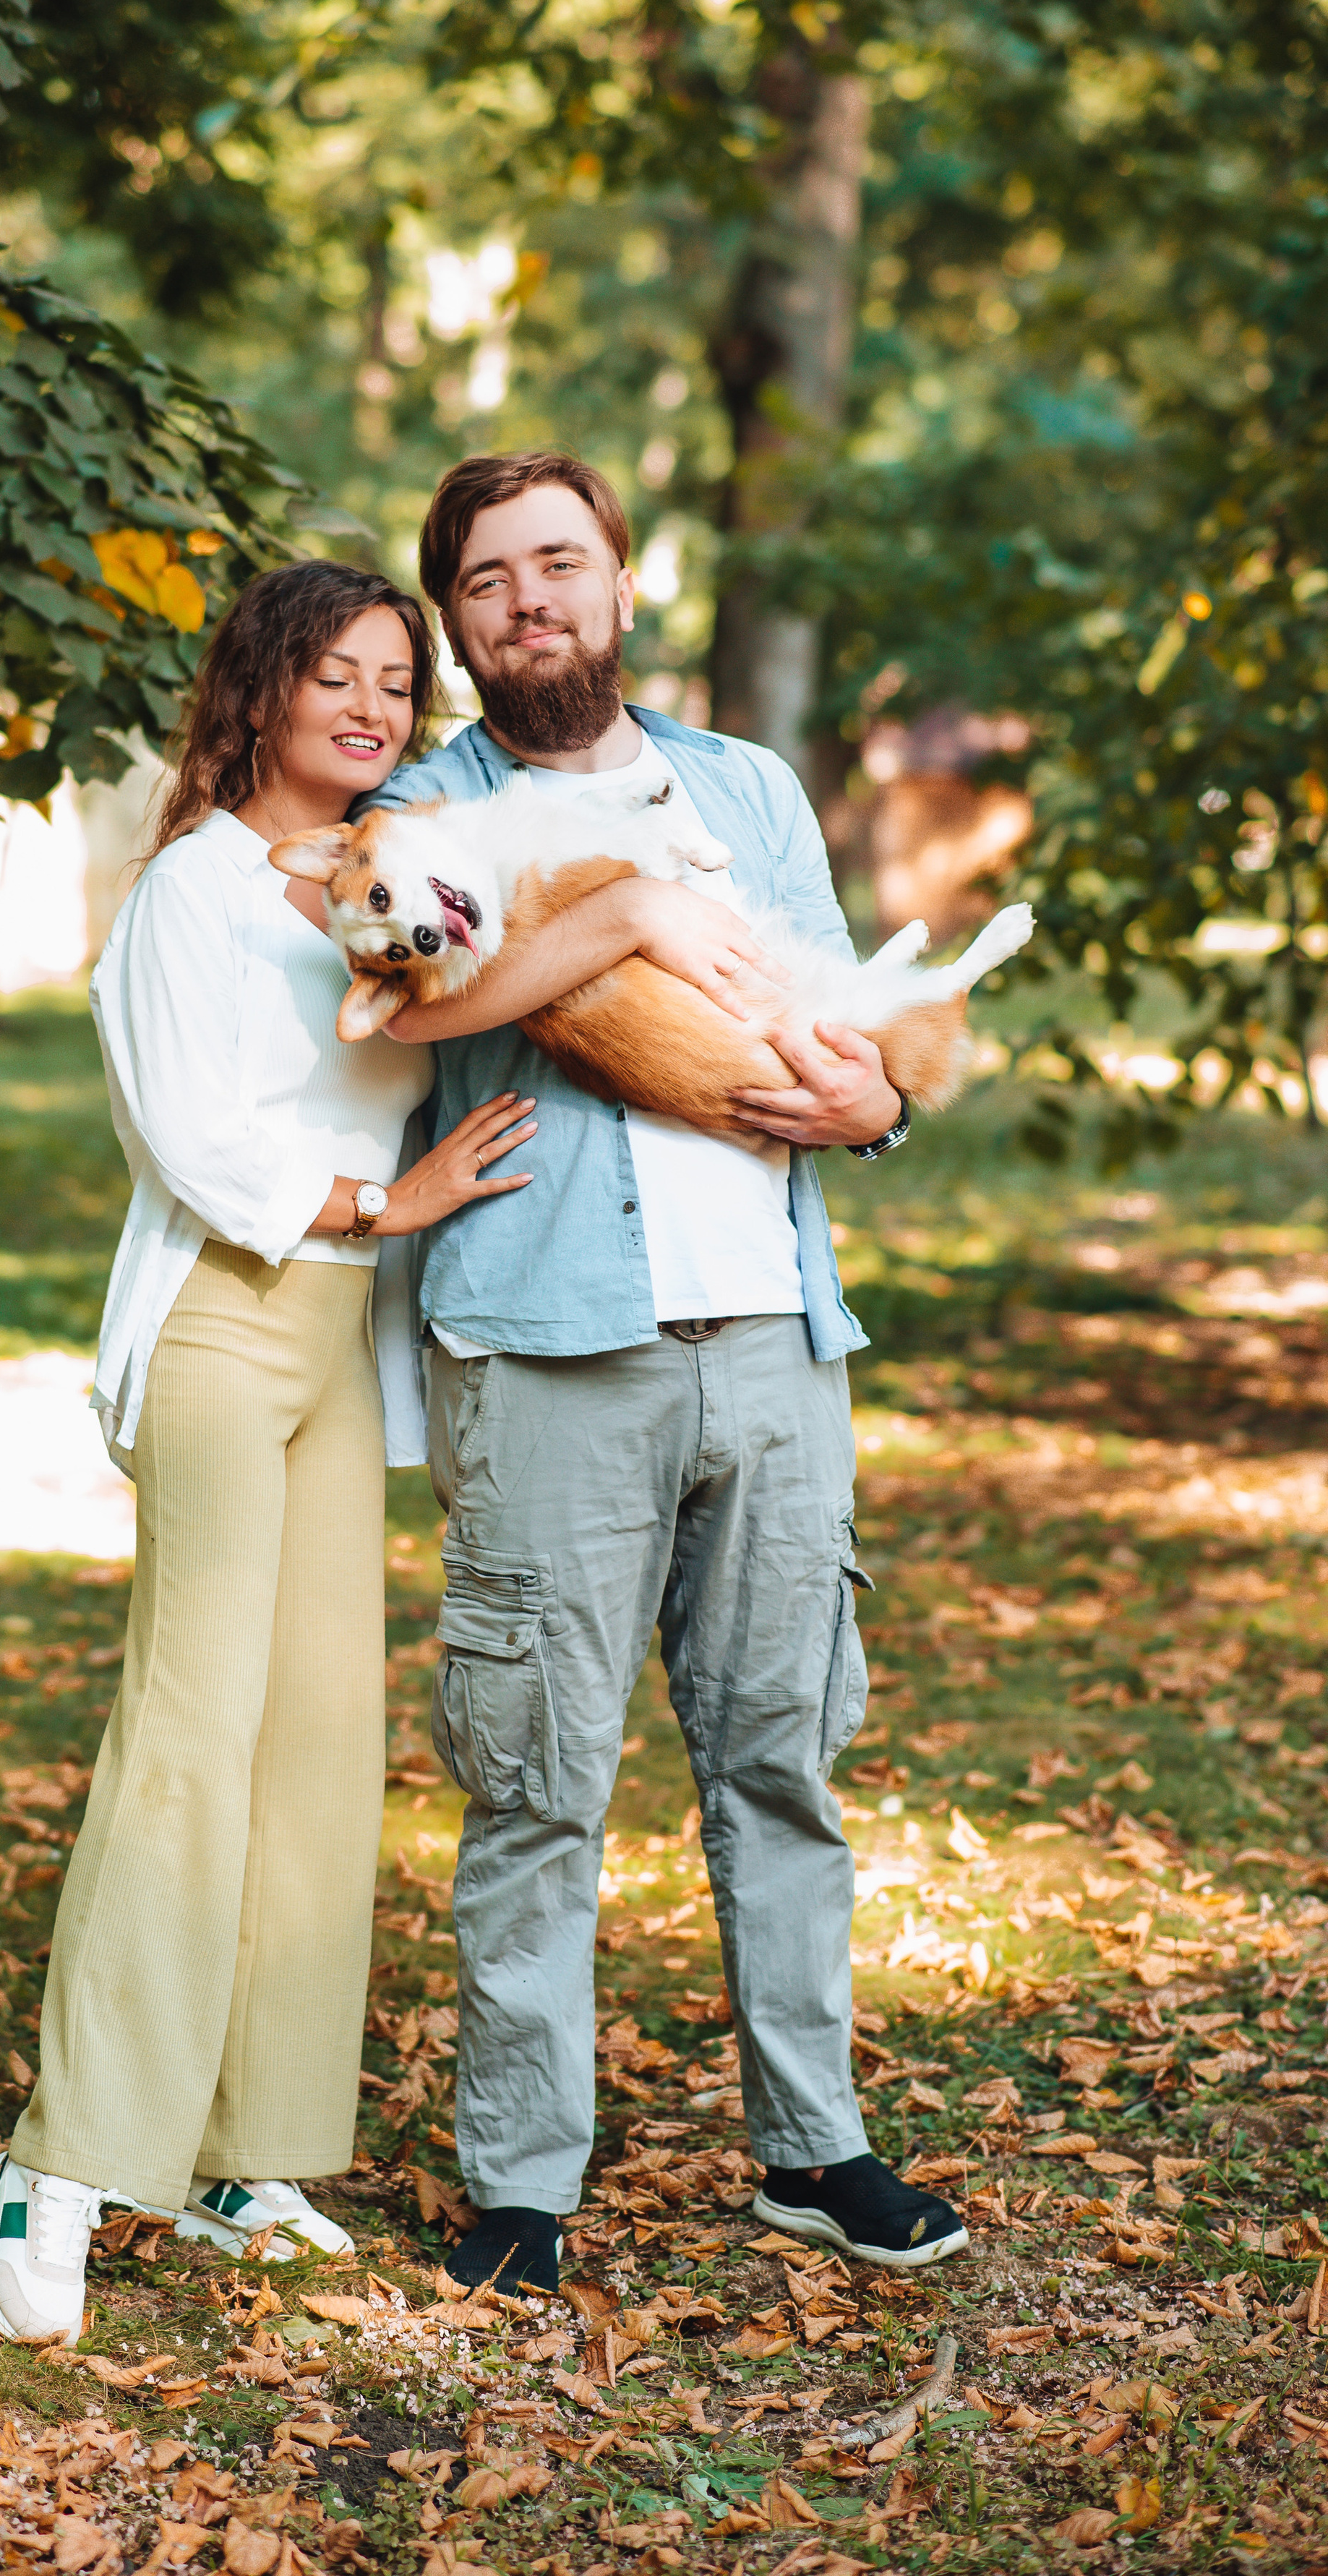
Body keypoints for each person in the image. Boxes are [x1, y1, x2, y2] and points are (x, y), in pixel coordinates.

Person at [364, 450, 970, 2290]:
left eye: (560, 562)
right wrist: (617, 918)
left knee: (781, 1761)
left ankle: (815, 2147)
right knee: (540, 1781)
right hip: (550, 1347)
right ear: (458, 620)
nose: (529, 599)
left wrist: (877, 1105)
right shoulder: (426, 806)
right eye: (488, 580)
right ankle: (521, 2185)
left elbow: (834, 1008)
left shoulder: (742, 784)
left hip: (777, 1342)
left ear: (621, 582)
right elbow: (413, 994)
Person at [0, 560, 538, 2344]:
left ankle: (243, 2148)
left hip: (338, 1343)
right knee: (186, 1738)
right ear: (263, 692)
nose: (370, 706)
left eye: (395, 679)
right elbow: (193, 1140)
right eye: (336, 677)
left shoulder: (391, 876)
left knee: (312, 1746)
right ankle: (56, 2164)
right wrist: (396, 1198)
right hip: (225, 1314)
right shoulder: (192, 891)